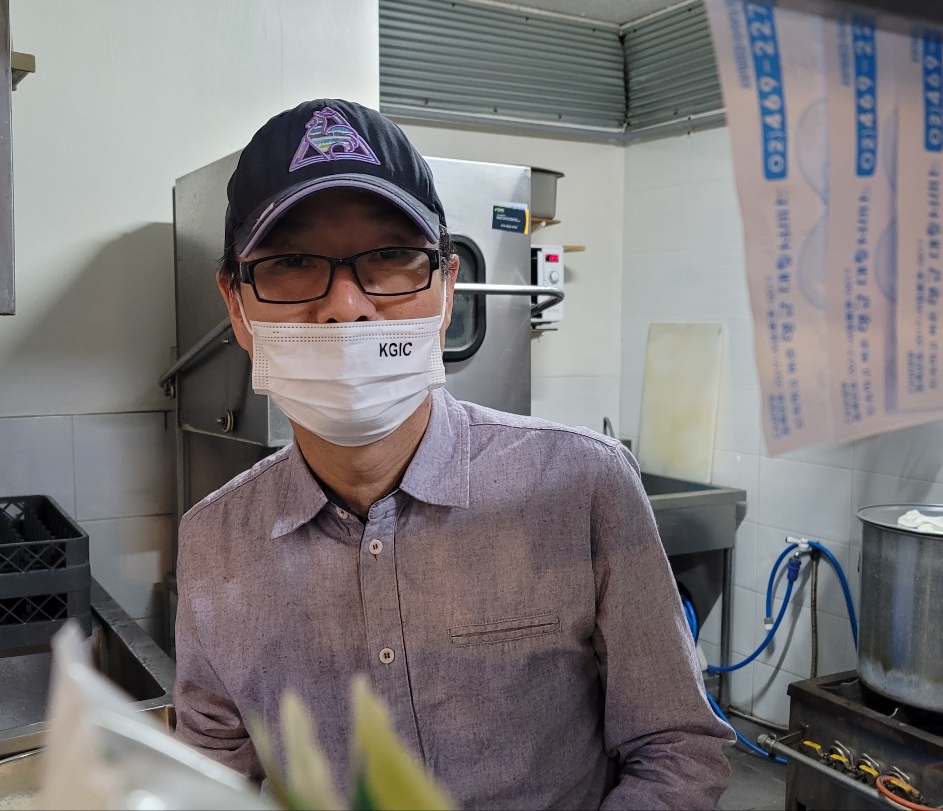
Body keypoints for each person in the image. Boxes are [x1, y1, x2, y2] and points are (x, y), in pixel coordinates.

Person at [173, 98, 734, 810]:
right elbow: (207, 776)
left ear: (446, 288)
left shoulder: (581, 488)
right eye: (290, 262)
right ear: (236, 305)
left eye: (390, 256)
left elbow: (678, 747)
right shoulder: (215, 540)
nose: (346, 306)